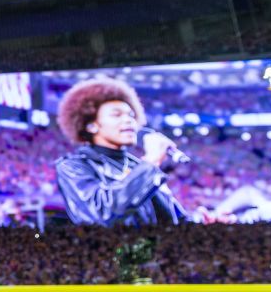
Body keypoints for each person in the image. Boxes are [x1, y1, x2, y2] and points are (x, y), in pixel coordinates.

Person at [54, 77, 186, 227]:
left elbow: (175, 220)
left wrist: (202, 224)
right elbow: (99, 215)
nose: (128, 120)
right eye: (117, 115)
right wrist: (151, 161)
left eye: (130, 115)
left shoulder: (141, 166)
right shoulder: (73, 166)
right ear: (91, 126)